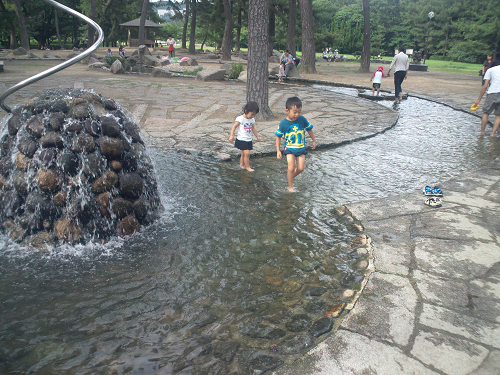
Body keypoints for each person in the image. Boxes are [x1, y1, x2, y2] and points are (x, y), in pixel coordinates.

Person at [276, 96, 317, 192]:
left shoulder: (302, 119)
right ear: (287, 110)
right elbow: (278, 137)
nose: (297, 114)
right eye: (295, 112)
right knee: (291, 168)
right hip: (289, 149)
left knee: (300, 168)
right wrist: (278, 150)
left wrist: (314, 141)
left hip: (301, 148)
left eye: (299, 112)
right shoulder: (283, 123)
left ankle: (289, 178)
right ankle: (290, 187)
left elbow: (309, 129)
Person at [229, 101, 261, 172]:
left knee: (243, 153)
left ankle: (242, 164)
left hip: (248, 139)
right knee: (247, 153)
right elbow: (234, 127)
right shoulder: (240, 119)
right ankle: (247, 167)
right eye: (252, 114)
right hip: (242, 139)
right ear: (246, 111)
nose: (252, 116)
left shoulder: (252, 119)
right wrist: (231, 135)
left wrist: (257, 136)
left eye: (254, 115)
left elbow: (253, 128)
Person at [474, 59, 500, 136]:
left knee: (486, 113)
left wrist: (479, 99)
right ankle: (493, 134)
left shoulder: (490, 70)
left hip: (492, 93)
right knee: (498, 116)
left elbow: (485, 86)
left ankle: (482, 132)